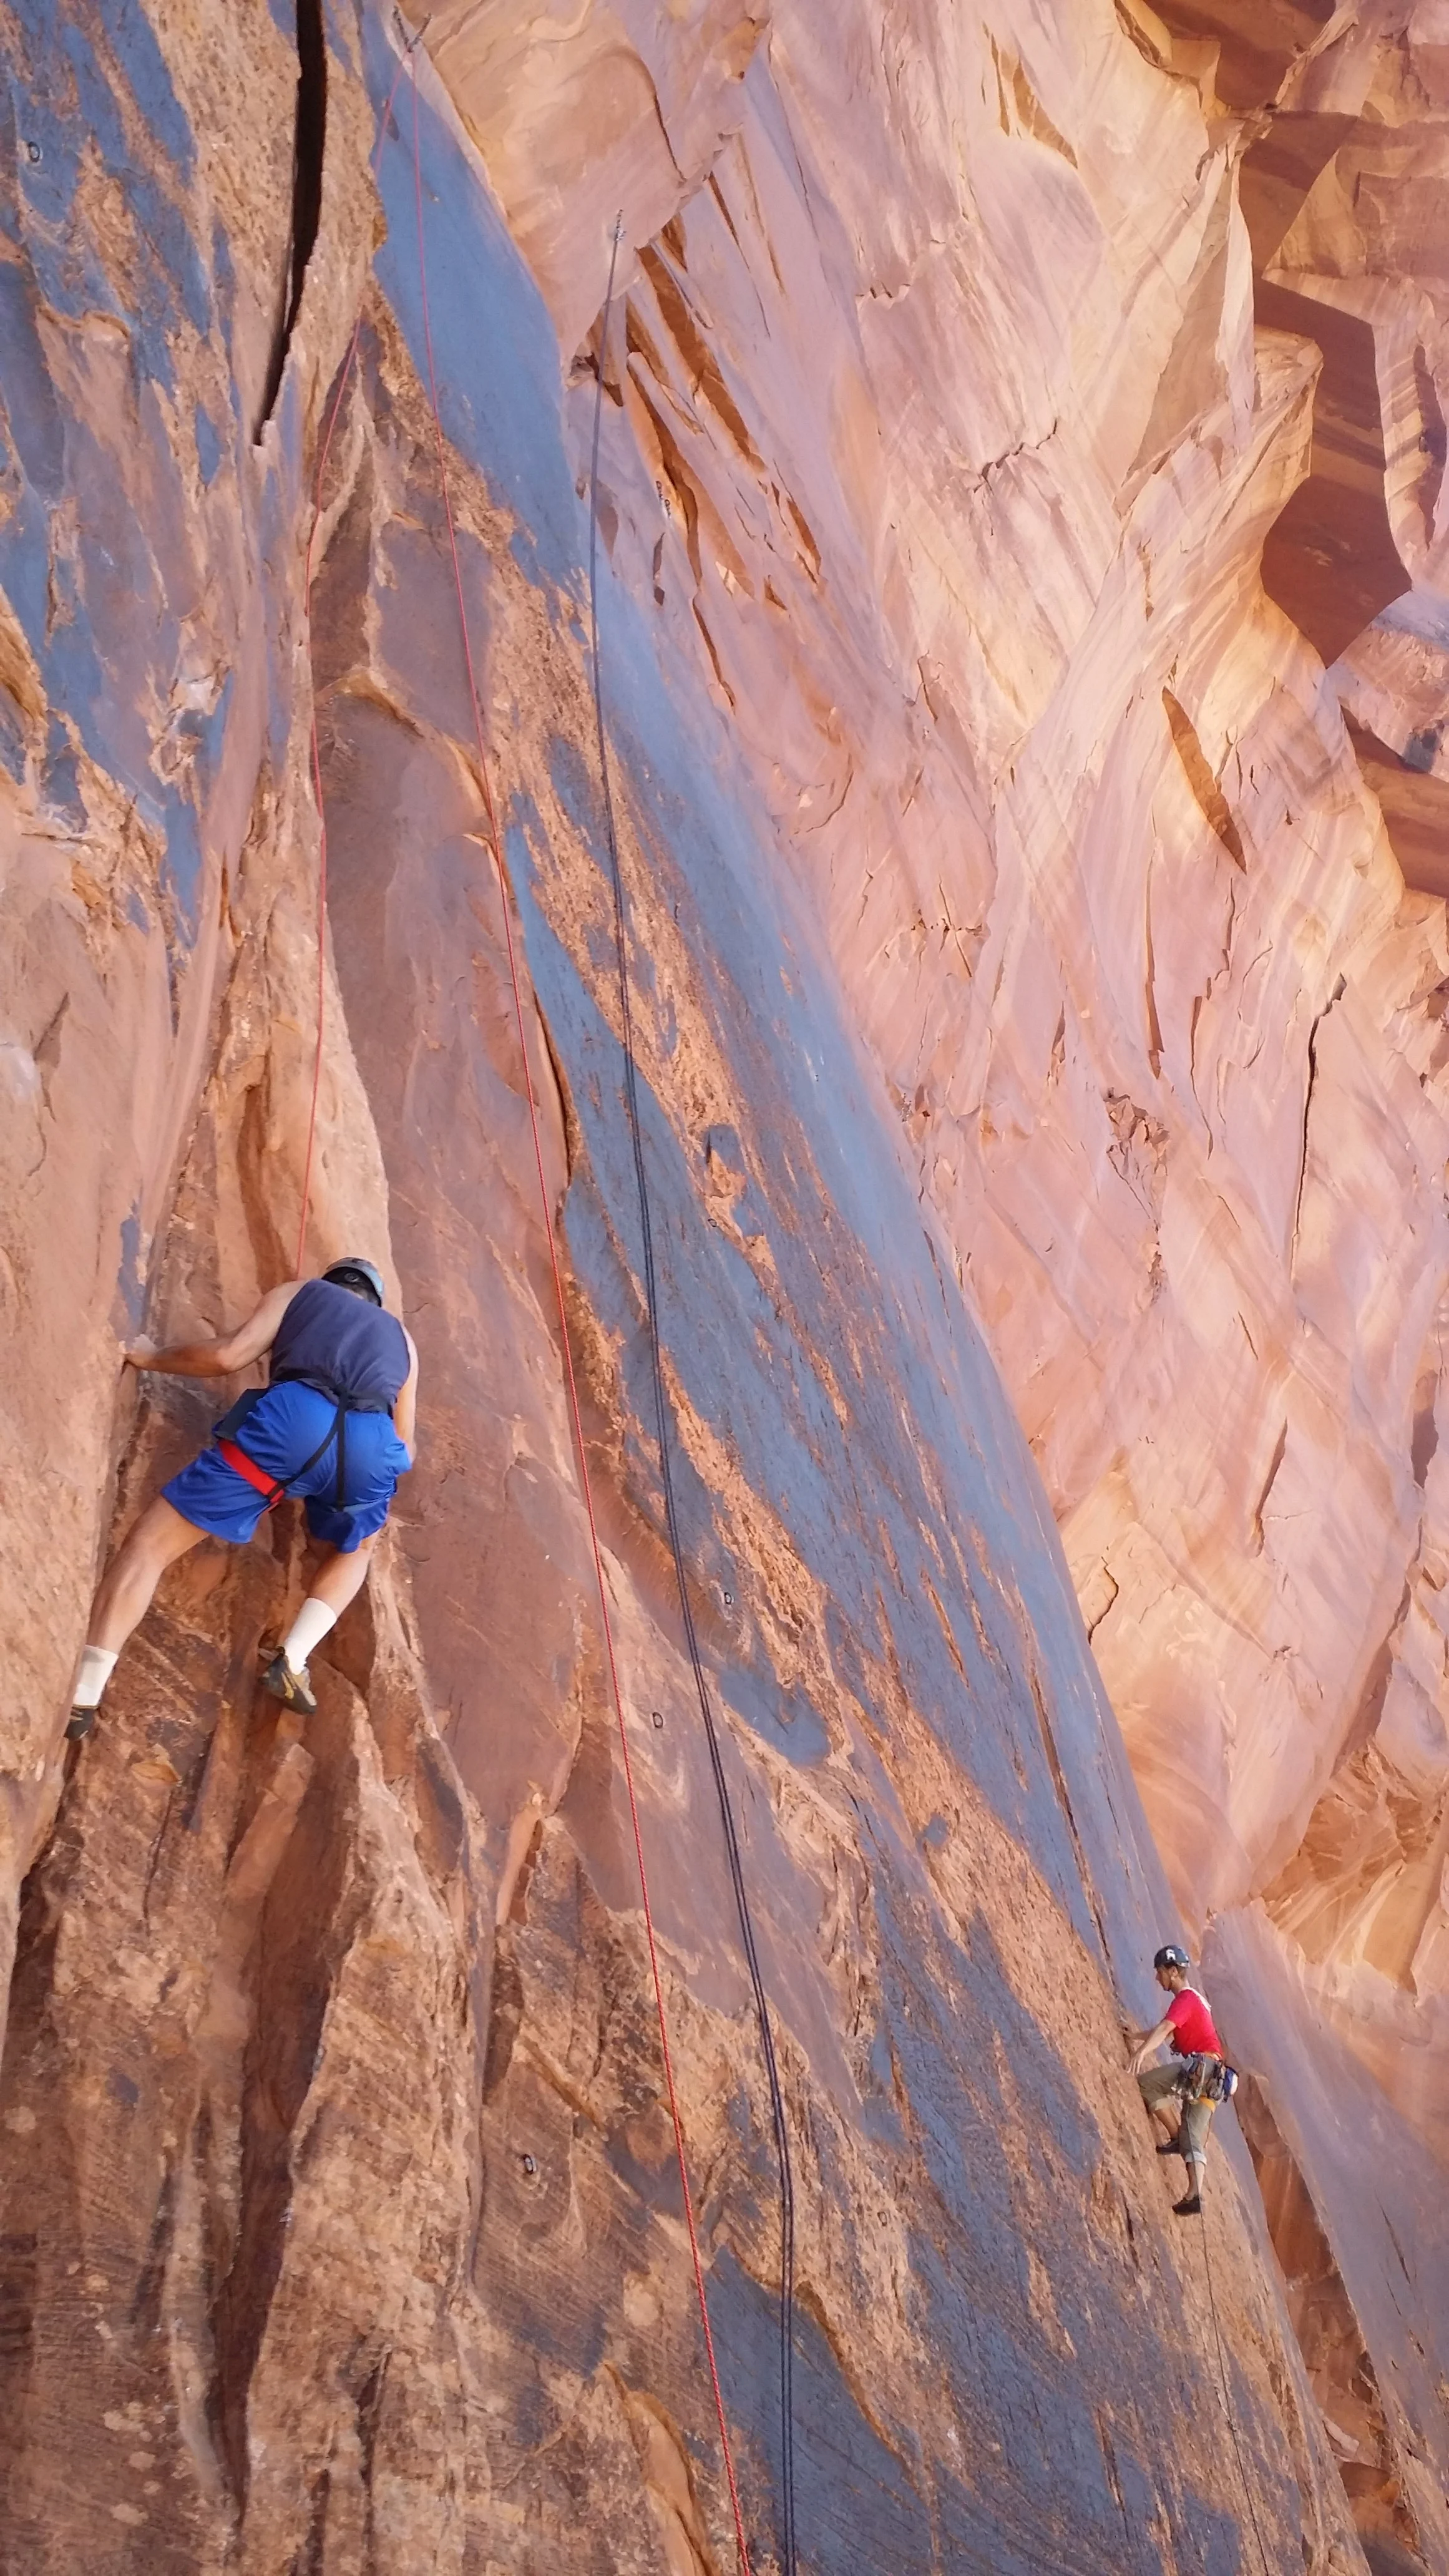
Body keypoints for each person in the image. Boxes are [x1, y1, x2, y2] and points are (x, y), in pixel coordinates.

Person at [67, 1258, 417, 1739]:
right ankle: (293, 1657)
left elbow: (228, 1356)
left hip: (293, 1422)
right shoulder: (403, 1340)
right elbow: (408, 1445)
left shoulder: (301, 1293)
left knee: (150, 1547)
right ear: (376, 1301)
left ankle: (84, 1693)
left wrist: (150, 1356)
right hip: (369, 1447)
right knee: (359, 1546)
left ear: (331, 1282)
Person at [1128, 1943, 1228, 2219]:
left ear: (1172, 1971)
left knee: (1147, 2084)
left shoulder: (1186, 1999)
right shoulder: (1194, 2001)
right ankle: (1194, 2193)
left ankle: (1175, 2136)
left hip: (1201, 2069)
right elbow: (1168, 2032)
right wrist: (1136, 2036)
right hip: (1213, 2077)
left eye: (1159, 1971)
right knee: (1193, 2136)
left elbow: (1165, 2029)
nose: (1157, 1977)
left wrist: (1140, 2052)